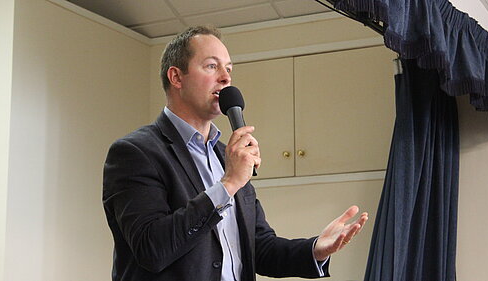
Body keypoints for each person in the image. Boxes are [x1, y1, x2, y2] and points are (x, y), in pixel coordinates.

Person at [103, 25, 368, 281]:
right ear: (176, 77)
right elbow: (152, 249)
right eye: (211, 66)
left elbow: (258, 247)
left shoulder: (226, 156)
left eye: (228, 69)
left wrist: (315, 249)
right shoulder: (135, 153)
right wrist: (228, 184)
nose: (226, 77)